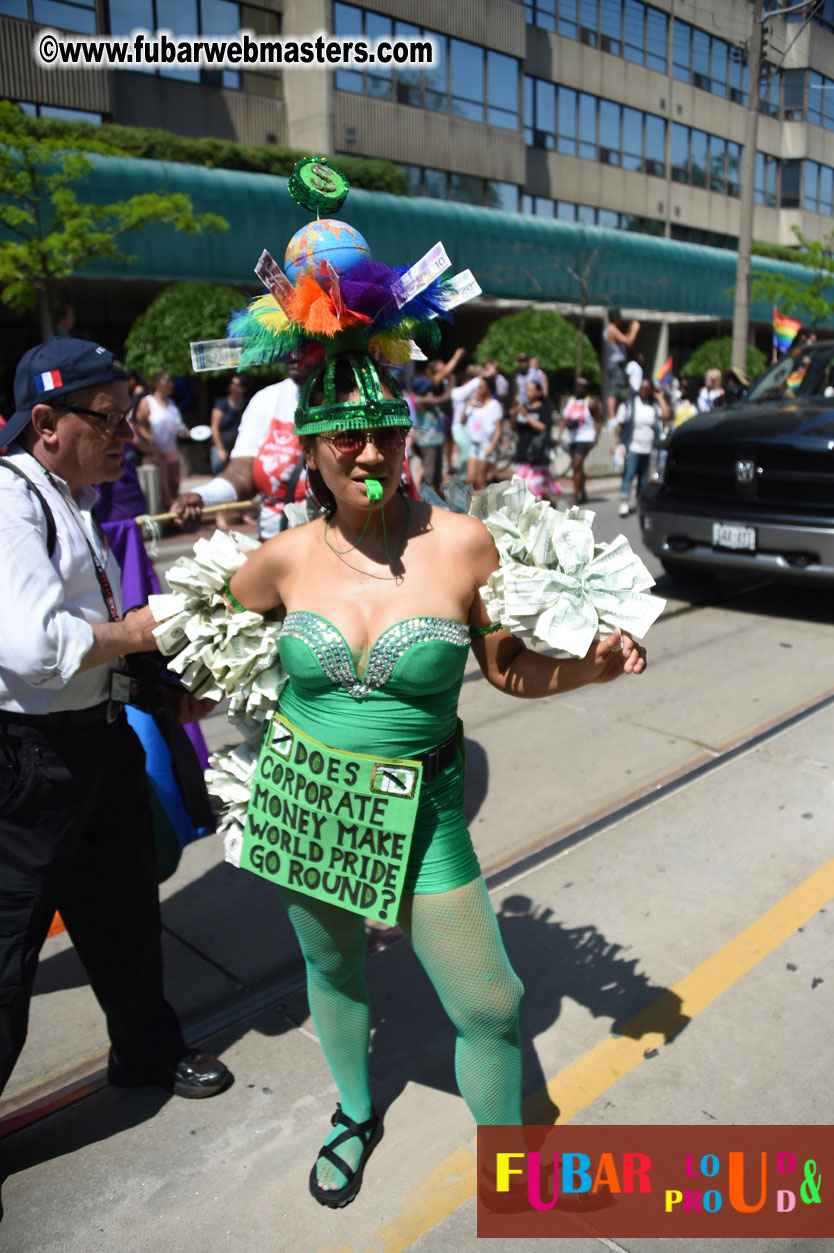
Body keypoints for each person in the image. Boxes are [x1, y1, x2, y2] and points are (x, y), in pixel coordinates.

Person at [220, 349, 647, 1208]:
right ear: (310, 451)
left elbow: (510, 668)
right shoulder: (283, 558)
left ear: (406, 437)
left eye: (384, 433)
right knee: (332, 966)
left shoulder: (460, 542)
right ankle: (353, 1111)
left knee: (491, 1002)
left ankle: (509, 1173)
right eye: (345, 439)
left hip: (426, 816)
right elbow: (221, 646)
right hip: (313, 805)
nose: (368, 453)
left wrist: (592, 668)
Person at [0, 338, 231, 1104]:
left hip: (98, 743)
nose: (126, 435)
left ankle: (147, 1052)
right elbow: (38, 647)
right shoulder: (11, 500)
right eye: (109, 419)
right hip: (29, 765)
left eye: (129, 415)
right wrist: (142, 629)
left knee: (127, 916)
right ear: (45, 421)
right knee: (10, 956)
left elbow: (93, 631)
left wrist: (165, 687)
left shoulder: (75, 502)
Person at [173, 357, 313, 538]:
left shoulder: (354, 395)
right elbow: (241, 473)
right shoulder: (267, 399)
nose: (294, 355)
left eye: (305, 343)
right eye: (289, 342)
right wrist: (200, 495)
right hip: (276, 544)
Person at [133, 370, 190, 508]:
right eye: (167, 381)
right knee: (163, 488)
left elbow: (177, 425)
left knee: (175, 483)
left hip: (172, 448)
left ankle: (175, 515)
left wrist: (184, 431)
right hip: (156, 451)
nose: (171, 385)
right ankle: (168, 515)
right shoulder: (148, 402)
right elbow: (139, 426)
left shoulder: (170, 403)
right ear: (156, 384)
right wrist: (151, 442)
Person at [615, 377, 670, 516]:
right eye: (642, 388)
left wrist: (660, 398)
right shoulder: (630, 404)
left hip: (648, 448)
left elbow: (666, 416)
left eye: (648, 388)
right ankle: (624, 501)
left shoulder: (654, 405)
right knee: (629, 474)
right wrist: (615, 443)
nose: (645, 390)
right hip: (633, 447)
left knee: (644, 479)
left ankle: (640, 501)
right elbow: (620, 425)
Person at [513, 377, 560, 503]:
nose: (528, 393)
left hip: (537, 455)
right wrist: (514, 414)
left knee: (537, 491)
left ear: (539, 392)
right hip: (522, 454)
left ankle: (550, 507)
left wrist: (526, 416)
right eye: (527, 390)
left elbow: (543, 427)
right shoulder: (524, 408)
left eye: (531, 390)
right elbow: (514, 428)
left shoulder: (544, 409)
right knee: (522, 492)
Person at [558, 377, 601, 506]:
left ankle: (575, 497)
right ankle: (584, 493)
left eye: (581, 387)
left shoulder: (591, 403)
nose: (578, 389)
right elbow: (563, 420)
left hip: (585, 438)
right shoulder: (568, 401)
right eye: (577, 386)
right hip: (572, 438)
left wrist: (596, 437)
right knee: (578, 468)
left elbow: (598, 421)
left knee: (576, 466)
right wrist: (560, 436)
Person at [464, 376, 503, 490]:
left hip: (486, 445)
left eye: (482, 387)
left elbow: (498, 428)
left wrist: (492, 446)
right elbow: (462, 421)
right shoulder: (474, 403)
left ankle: (486, 507)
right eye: (478, 387)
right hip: (474, 444)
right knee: (470, 480)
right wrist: (468, 406)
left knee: (480, 480)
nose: (479, 389)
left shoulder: (494, 405)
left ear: (489, 389)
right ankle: (475, 506)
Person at [602, 309, 640, 425]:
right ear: (617, 318)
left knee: (617, 390)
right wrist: (634, 329)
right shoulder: (612, 330)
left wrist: (629, 331)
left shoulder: (611, 330)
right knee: (614, 391)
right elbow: (629, 342)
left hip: (615, 364)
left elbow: (624, 340)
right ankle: (612, 418)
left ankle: (614, 416)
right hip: (616, 364)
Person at [209, 373, 247, 474]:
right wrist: (220, 449)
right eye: (232, 383)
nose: (234, 387)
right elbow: (214, 428)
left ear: (243, 388)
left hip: (239, 449)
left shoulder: (246, 404)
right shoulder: (221, 404)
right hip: (221, 449)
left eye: (237, 385)